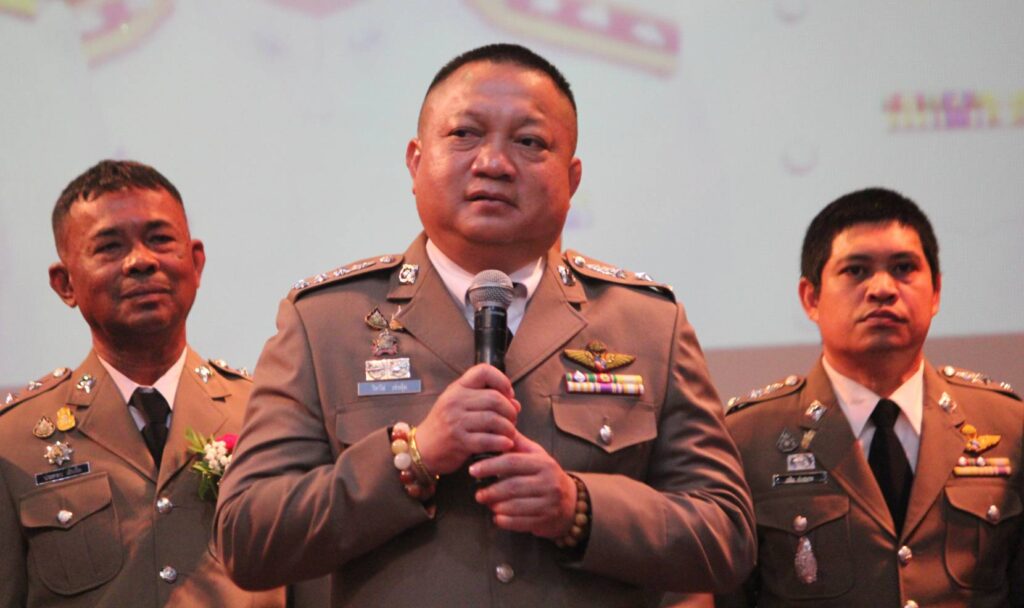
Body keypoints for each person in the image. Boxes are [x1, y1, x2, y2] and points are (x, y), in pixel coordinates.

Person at [214, 43, 755, 606]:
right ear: (415, 161)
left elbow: (728, 536)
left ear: (572, 179)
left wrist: (579, 509)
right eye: (465, 134)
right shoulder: (324, 323)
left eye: (529, 142)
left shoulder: (647, 324)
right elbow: (248, 539)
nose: (494, 163)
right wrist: (412, 459)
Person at [719, 188, 1023, 607]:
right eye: (856, 271)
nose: (882, 288)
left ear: (936, 292)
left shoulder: (1007, 427)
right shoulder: (746, 438)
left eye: (903, 268)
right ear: (811, 298)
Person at [0, 160, 284, 606]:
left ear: (196, 262)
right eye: (109, 247)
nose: (141, 261)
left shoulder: (269, 413)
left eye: (160, 239)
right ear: (65, 284)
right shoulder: (13, 440)